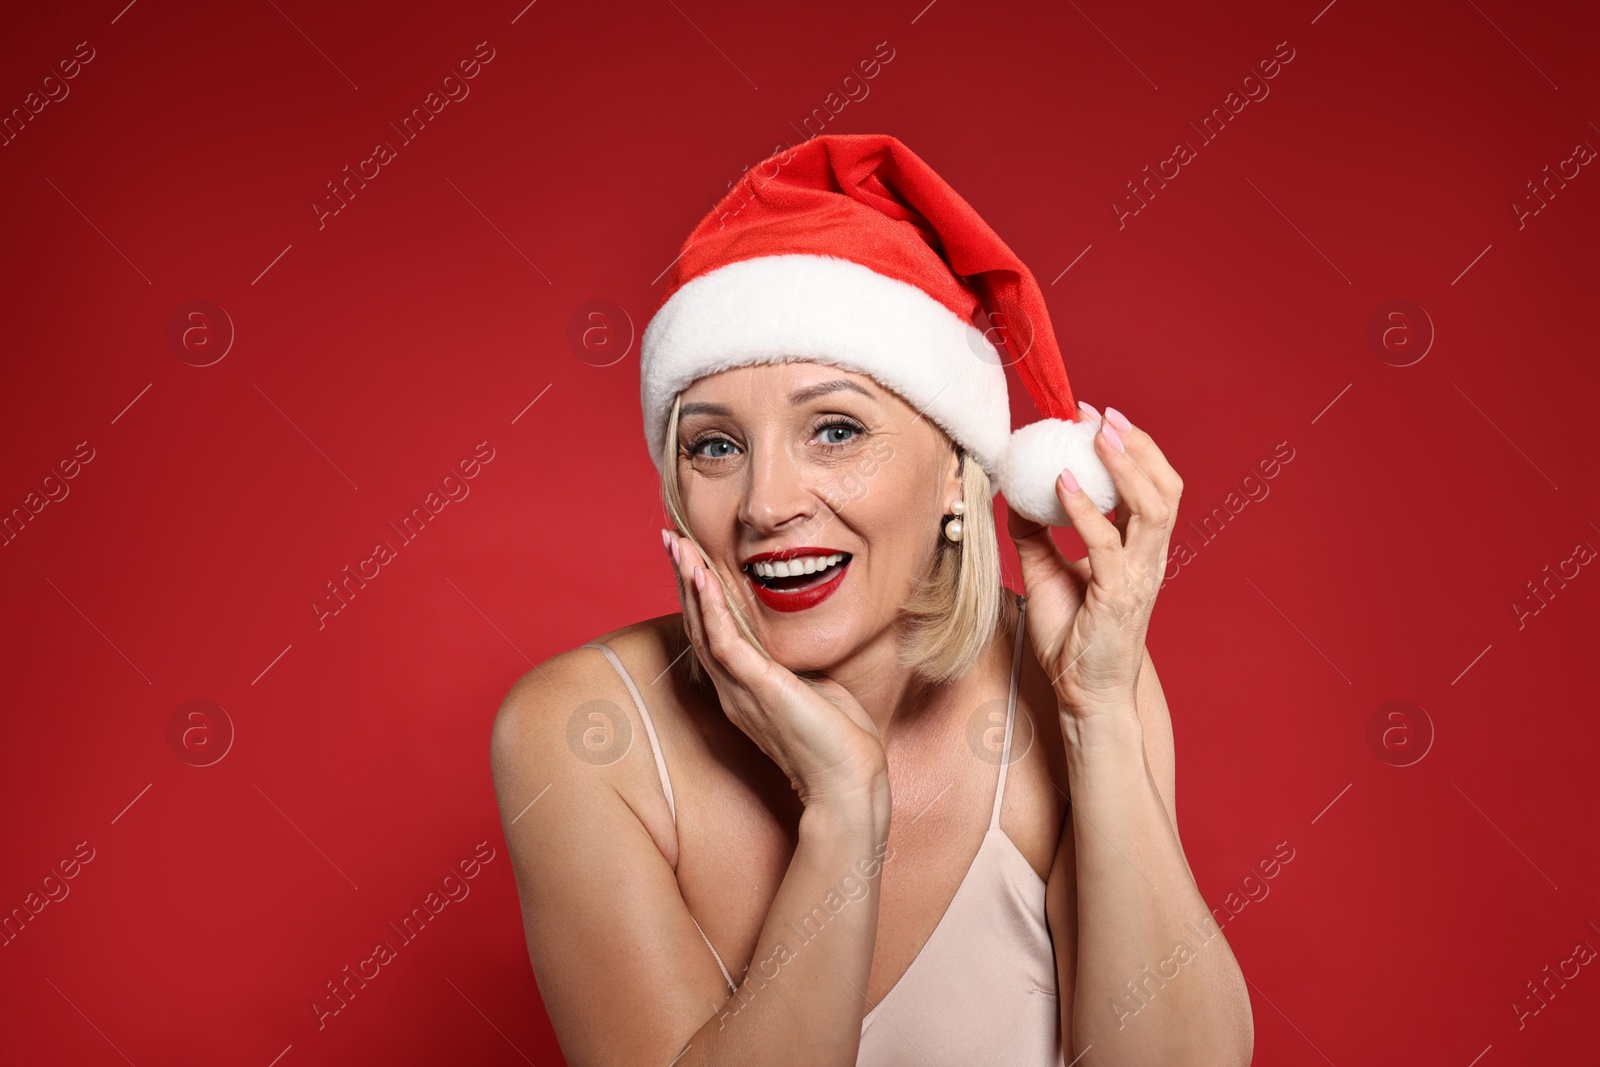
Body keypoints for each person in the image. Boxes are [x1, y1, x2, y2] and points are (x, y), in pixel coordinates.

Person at [490, 134, 1253, 1067]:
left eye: (837, 428)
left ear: (954, 473)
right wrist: (845, 812)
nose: (767, 503)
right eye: (715, 445)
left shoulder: (1076, 685)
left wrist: (1098, 716)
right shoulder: (580, 733)